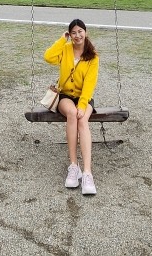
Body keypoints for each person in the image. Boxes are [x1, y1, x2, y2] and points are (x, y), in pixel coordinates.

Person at [44, 18, 100, 195]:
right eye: (73, 32)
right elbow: (48, 57)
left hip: (84, 97)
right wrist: (62, 39)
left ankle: (87, 173)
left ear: (86, 32)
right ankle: (73, 166)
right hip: (66, 96)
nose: (77, 36)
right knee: (71, 113)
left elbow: (90, 85)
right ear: (70, 34)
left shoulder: (92, 56)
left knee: (82, 119)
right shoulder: (65, 49)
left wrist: (83, 105)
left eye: (80, 32)